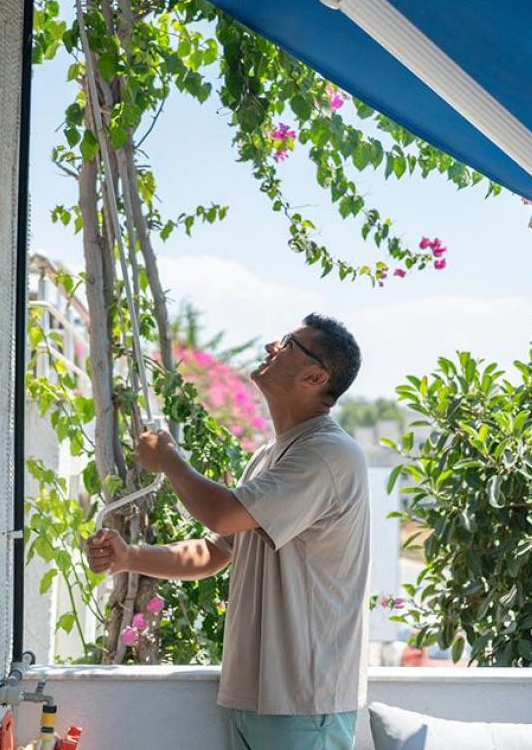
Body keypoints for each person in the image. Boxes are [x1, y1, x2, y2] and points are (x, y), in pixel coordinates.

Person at [88, 313, 370, 750]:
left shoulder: (328, 454)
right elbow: (213, 551)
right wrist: (129, 557)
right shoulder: (270, 456)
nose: (270, 348)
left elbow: (222, 514)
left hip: (303, 705)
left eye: (287, 344)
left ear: (315, 376)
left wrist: (170, 461)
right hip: (259, 700)